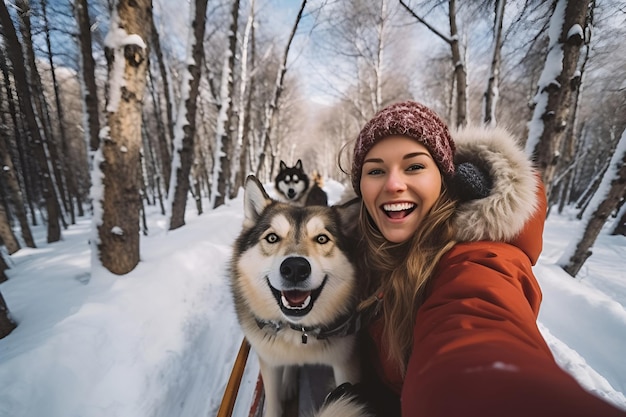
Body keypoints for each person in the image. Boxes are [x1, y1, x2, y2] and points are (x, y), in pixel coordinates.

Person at [316, 101, 626, 417]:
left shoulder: (477, 260)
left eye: (414, 167)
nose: (393, 184)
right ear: (361, 188)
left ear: (445, 179)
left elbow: (477, 335)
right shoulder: (363, 246)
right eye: (376, 171)